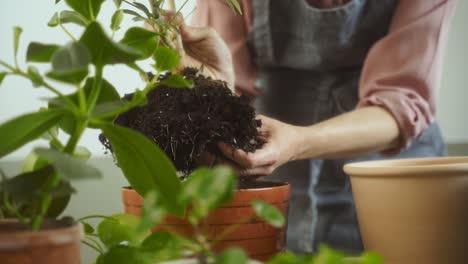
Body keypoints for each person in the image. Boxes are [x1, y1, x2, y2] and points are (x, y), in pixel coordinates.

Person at [171, 0, 457, 253]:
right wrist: (206, 87)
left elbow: (401, 101)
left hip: (394, 181)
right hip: (273, 177)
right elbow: (225, 85)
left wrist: (299, 141)